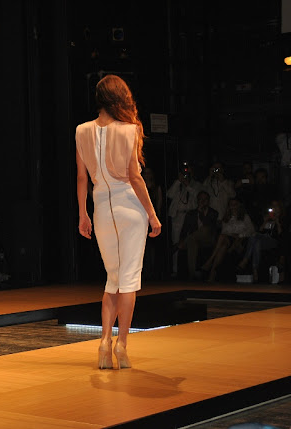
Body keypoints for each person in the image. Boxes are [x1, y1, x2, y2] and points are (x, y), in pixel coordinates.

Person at [75, 74, 161, 370]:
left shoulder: (81, 130)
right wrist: (152, 214)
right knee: (128, 281)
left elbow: (82, 177)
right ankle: (121, 345)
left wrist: (82, 214)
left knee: (112, 279)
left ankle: (103, 343)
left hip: (100, 207)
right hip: (129, 207)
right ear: (120, 98)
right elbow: (135, 177)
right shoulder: (129, 129)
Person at [201, 198, 255, 282]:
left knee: (222, 239)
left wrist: (240, 235)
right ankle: (212, 273)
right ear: (228, 206)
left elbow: (251, 230)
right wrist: (232, 234)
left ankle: (210, 261)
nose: (233, 206)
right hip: (228, 239)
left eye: (235, 204)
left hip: (240, 240)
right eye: (231, 204)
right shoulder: (226, 218)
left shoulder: (245, 216)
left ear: (239, 205)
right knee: (222, 244)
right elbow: (224, 231)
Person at [177, 190, 219, 280]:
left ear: (208, 200)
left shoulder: (213, 213)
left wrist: (200, 213)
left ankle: (180, 244)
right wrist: (181, 239)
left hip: (208, 239)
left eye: (205, 199)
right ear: (197, 200)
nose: (203, 201)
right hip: (194, 240)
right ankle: (193, 273)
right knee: (192, 241)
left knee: (204, 229)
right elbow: (184, 229)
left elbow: (209, 226)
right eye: (200, 199)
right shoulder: (191, 214)